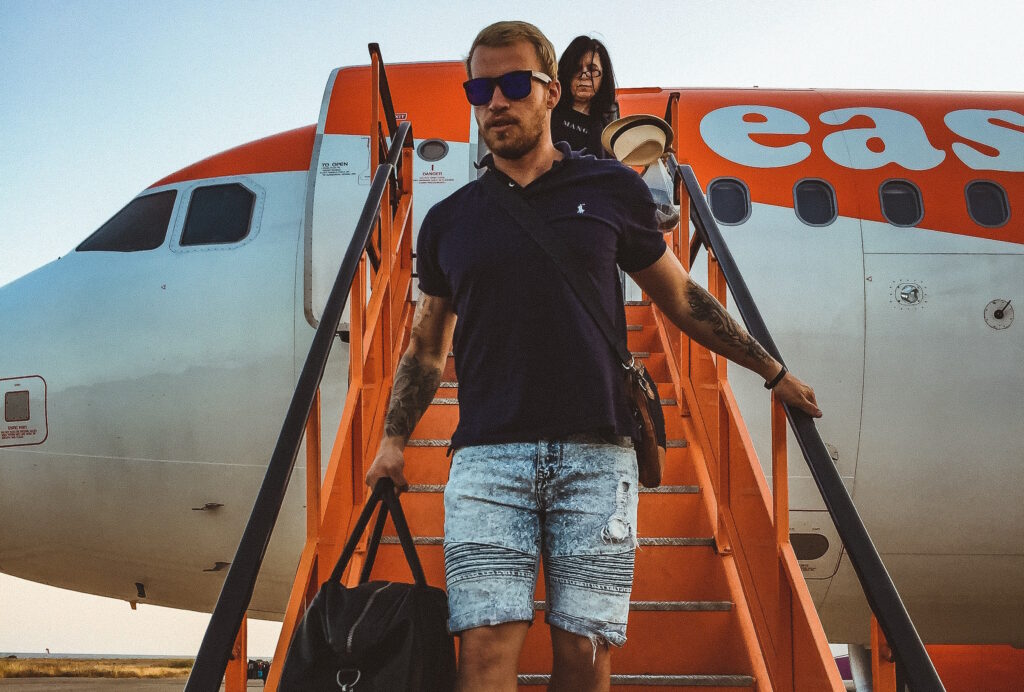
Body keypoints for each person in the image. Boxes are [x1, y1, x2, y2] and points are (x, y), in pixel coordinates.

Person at [366, 20, 822, 691]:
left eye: (514, 83)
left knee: (584, 655)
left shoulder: (612, 190)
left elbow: (679, 297)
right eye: (481, 87)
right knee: (484, 652)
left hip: (597, 456)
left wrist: (770, 370)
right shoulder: (449, 220)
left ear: (551, 93)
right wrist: (391, 440)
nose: (495, 100)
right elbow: (425, 346)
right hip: (489, 458)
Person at [551, 35, 618, 156]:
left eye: (592, 69)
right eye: (576, 68)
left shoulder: (609, 130)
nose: (584, 75)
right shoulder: (548, 114)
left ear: (604, 76)